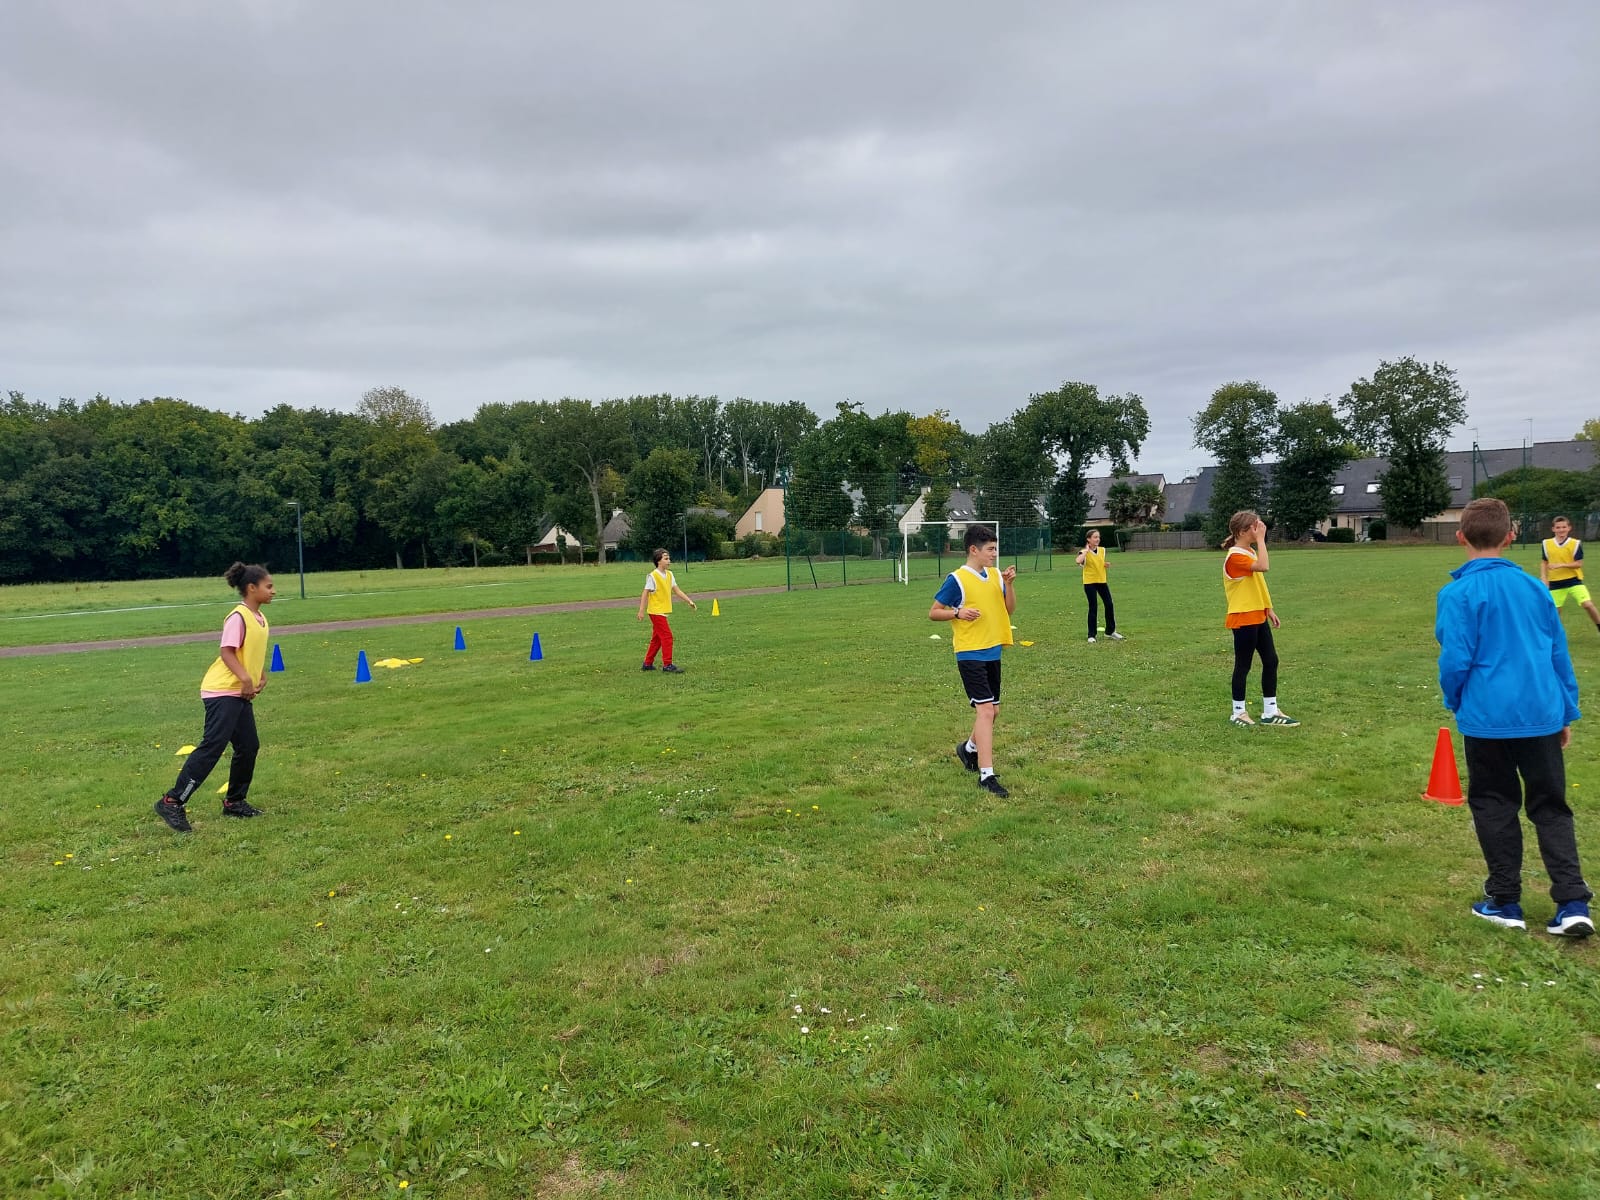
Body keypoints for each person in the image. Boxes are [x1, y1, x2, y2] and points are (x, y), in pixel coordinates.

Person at [1438, 497, 1593, 937]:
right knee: (1551, 805)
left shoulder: (1457, 594)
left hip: (1487, 717)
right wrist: (1565, 710)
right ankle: (1573, 902)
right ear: (1510, 536)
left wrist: (1456, 700)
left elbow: (1455, 660)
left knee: (1493, 802)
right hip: (1541, 713)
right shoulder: (1535, 589)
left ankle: (1506, 901)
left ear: (1460, 537)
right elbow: (1558, 654)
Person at [154, 562, 275, 832]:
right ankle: (172, 801)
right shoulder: (238, 617)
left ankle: (234, 802)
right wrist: (245, 679)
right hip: (222, 691)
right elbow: (227, 652)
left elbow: (249, 652)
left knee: (248, 746)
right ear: (251, 588)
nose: (273, 591)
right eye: (269, 586)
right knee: (212, 746)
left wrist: (259, 674)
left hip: (238, 693)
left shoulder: (260, 618)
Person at [930, 525, 1017, 797]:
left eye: (995, 549)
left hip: (993, 651)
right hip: (970, 653)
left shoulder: (995, 576)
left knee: (993, 711)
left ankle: (968, 750)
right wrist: (958, 612)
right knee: (986, 711)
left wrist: (1009, 585)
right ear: (973, 550)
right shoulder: (957, 579)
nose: (994, 554)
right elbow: (934, 612)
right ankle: (986, 775)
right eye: (990, 549)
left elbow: (1009, 610)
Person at [1221, 511, 1298, 727]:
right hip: (1243, 617)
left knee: (1271, 660)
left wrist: (1268, 608)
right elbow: (1264, 567)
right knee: (1243, 666)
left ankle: (1270, 711)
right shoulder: (1235, 556)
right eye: (1254, 528)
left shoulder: (1249, 551)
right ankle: (1238, 712)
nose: (1259, 531)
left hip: (1257, 614)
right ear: (1241, 532)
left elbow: (1258, 582)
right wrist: (1262, 540)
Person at [637, 548, 696, 673]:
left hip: (662, 611)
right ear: (658, 561)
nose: (669, 561)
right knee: (667, 637)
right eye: (666, 558)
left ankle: (647, 663)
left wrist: (689, 601)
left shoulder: (670, 575)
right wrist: (641, 610)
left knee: (657, 639)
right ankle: (667, 665)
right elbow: (645, 593)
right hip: (655, 611)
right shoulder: (653, 576)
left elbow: (677, 590)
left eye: (669, 558)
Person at [1540, 515, 1600, 636]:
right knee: (1555, 612)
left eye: (1564, 527)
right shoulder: (1546, 543)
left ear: (1569, 528)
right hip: (1555, 583)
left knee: (1588, 604)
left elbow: (1578, 564)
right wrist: (1544, 577)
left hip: (1574, 581)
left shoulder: (1575, 543)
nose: (1561, 530)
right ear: (1553, 529)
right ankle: (1554, 636)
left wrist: (1561, 565)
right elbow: (1544, 561)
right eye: (1558, 527)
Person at [1075, 529, 1124, 643]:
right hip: (1090, 583)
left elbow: (1099, 562)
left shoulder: (1102, 550)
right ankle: (1091, 635)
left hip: (1102, 581)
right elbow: (1078, 561)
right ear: (1089, 539)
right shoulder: (1084, 552)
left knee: (1109, 604)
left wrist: (1105, 564)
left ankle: (1110, 632)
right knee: (1093, 607)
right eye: (1095, 537)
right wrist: (1086, 551)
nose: (1098, 539)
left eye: (1098, 537)